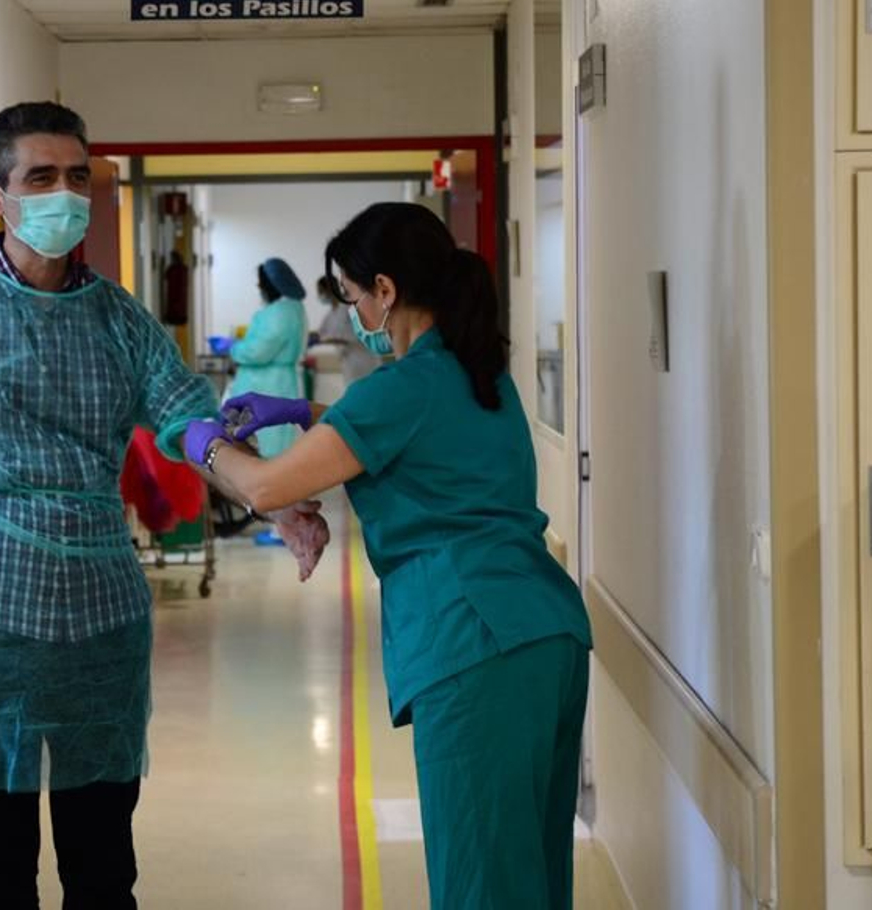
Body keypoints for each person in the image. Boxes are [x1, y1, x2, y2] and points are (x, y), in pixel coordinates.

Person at [0, 101, 328, 910]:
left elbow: (185, 417)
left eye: (79, 176)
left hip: (100, 620)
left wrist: (266, 495)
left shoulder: (118, 315)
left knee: (104, 869)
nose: (65, 193)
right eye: (41, 177)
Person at [184, 202, 592, 910]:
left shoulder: (404, 387)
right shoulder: (478, 373)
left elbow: (266, 483)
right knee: (533, 873)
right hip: (546, 632)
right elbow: (409, 431)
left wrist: (199, 442)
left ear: (385, 290)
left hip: (475, 645)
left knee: (482, 884)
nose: (353, 313)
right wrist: (304, 415)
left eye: (350, 297)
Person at [225, 258, 308, 458]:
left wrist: (234, 349)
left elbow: (258, 351)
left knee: (265, 442)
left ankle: (265, 482)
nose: (258, 286)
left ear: (271, 283)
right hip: (281, 381)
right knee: (279, 439)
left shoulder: (278, 312)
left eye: (261, 282)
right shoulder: (295, 308)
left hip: (265, 384)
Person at [314, 274, 382, 388]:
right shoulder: (330, 315)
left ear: (330, 289)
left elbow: (353, 335)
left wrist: (327, 339)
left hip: (364, 359)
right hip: (349, 362)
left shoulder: (350, 307)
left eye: (321, 291)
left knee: (367, 392)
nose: (320, 296)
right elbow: (321, 333)